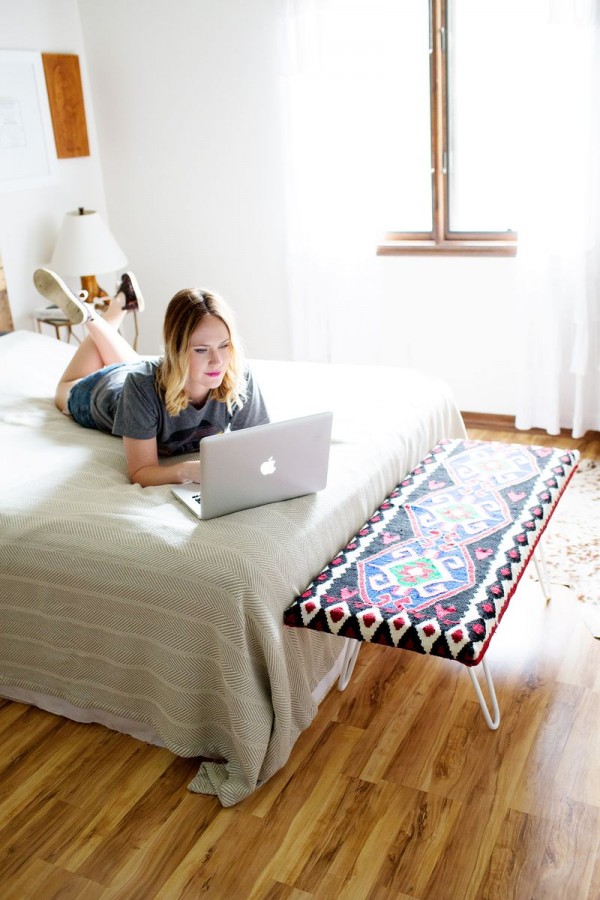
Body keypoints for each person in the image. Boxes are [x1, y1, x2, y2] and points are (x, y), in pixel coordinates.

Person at [32, 268, 270, 487]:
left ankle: (119, 304)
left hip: (150, 371)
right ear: (175, 350)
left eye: (224, 345)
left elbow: (263, 444)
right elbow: (141, 472)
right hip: (99, 391)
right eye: (201, 349)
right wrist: (186, 470)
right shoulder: (141, 388)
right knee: (63, 391)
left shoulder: (238, 375)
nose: (217, 361)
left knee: (133, 364)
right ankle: (91, 317)